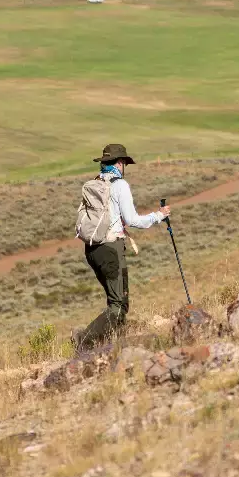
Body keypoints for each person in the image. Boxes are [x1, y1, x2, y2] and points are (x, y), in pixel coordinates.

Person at [77, 143, 170, 348]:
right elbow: (133, 220)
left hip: (93, 249)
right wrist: (158, 216)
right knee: (117, 306)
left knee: (118, 301)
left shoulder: (96, 183)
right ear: (120, 163)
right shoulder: (119, 185)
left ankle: (116, 346)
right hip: (111, 248)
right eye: (124, 163)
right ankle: (83, 341)